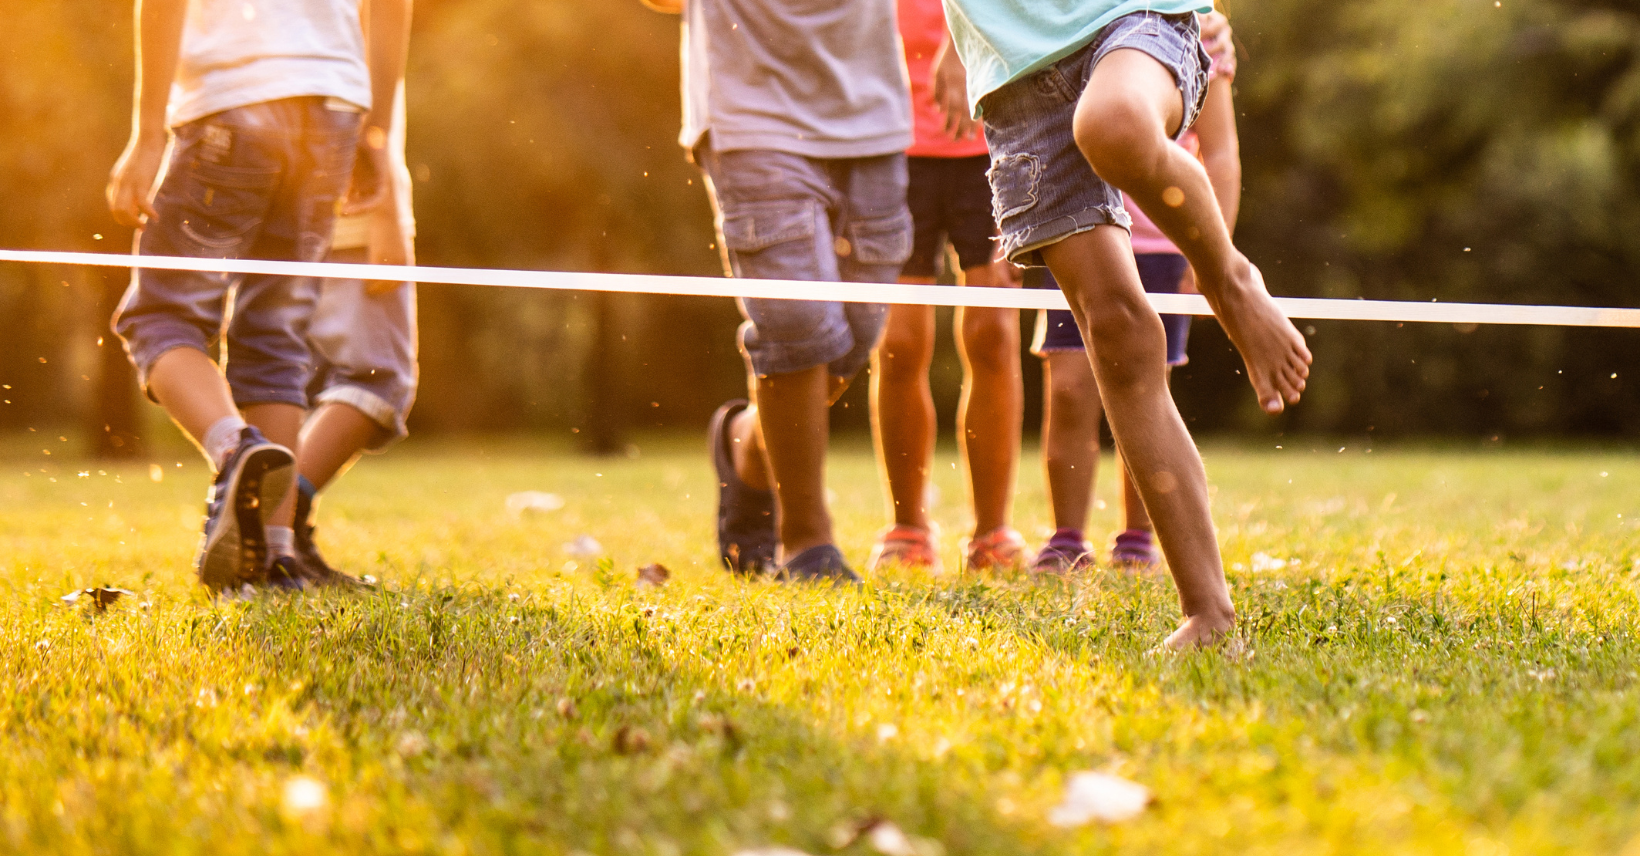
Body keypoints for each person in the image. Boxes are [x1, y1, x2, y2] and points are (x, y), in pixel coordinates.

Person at [941, 0, 1312, 647]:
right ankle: (1209, 613)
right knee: (1114, 331)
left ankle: (1230, 278)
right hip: (1016, 84)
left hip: (1128, 19)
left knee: (1114, 124)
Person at [107, 0, 409, 592]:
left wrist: (145, 136)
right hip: (332, 108)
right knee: (276, 331)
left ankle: (235, 448)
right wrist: (371, 134)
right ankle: (272, 556)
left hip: (232, 96)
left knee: (161, 317)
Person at [641, 0, 914, 583]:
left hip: (872, 110)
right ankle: (808, 542)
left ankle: (746, 444)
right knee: (799, 326)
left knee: (849, 341)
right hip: (751, 110)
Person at [1030, 11, 1242, 574]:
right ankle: (1067, 537)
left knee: (1147, 387)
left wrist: (1212, 252)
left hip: (1162, 247)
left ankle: (1138, 538)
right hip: (1078, 230)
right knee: (1070, 390)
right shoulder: (1068, 27)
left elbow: (1219, 154)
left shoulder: (1203, 40)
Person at [867, 0, 1027, 575]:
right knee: (899, 342)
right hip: (890, 141)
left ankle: (991, 532)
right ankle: (907, 528)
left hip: (989, 134)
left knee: (992, 334)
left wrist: (960, 45)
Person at [292, 80, 418, 587]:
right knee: (376, 381)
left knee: (282, 383)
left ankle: (278, 538)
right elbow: (363, 78)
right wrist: (385, 211)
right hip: (351, 218)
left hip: (280, 206)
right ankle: (271, 523)